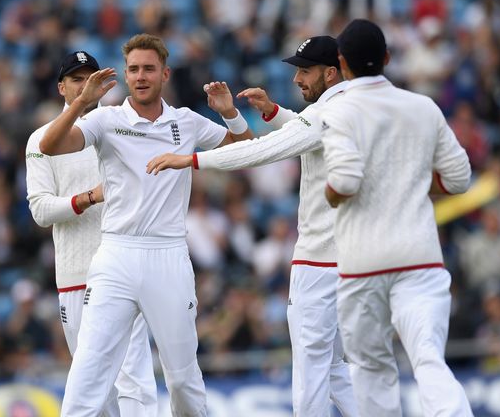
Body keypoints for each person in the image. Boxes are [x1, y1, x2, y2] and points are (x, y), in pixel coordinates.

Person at [39, 33, 254, 416]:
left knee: (183, 381)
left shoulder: (186, 122)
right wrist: (81, 105)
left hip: (168, 254)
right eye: (134, 69)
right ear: (125, 74)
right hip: (116, 255)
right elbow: (50, 145)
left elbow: (247, 151)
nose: (140, 76)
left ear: (165, 74)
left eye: (149, 69)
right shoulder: (106, 119)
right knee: (88, 371)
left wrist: (230, 113)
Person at [146, 36, 358, 416]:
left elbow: (262, 151)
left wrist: (192, 161)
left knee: (311, 365)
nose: (296, 79)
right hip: (348, 257)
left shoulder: (325, 113)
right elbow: (310, 132)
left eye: (304, 71)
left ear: (330, 73)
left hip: (319, 263)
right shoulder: (349, 107)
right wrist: (274, 111)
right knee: (334, 365)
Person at [320, 19, 473, 416]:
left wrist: (330, 192)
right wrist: (411, 180)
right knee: (428, 359)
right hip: (419, 257)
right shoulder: (422, 105)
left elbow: (345, 180)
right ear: (387, 58)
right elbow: (459, 179)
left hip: (362, 264)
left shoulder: (339, 109)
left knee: (371, 368)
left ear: (341, 62)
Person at [25, 51, 158, 416]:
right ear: (61, 88)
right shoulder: (41, 140)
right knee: (94, 387)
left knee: (135, 381)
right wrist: (88, 198)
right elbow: (40, 210)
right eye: (76, 80)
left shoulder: (121, 127)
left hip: (123, 270)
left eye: (90, 78)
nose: (85, 86)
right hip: (75, 277)